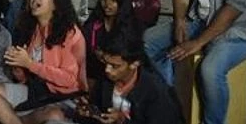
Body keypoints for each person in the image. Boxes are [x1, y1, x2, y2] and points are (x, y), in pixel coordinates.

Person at [0, 0, 87, 124]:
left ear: (56, 4)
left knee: (54, 116)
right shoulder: (33, 29)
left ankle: (5, 118)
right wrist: (19, 69)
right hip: (37, 92)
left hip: (63, 97)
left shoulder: (68, 32)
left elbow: (69, 80)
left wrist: (29, 64)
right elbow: (28, 78)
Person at [41, 26, 184, 124]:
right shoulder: (106, 81)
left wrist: (122, 121)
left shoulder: (156, 92)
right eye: (106, 63)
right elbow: (99, 114)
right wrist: (89, 113)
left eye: (115, 66)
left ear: (134, 64)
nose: (107, 70)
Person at [82, 0, 139, 88]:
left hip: (117, 75)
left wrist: (105, 57)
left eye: (113, 0)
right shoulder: (94, 24)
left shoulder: (130, 26)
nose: (107, 4)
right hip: (92, 72)